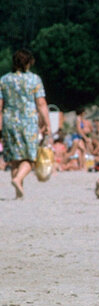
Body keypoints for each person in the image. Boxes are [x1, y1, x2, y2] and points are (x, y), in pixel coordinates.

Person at [0, 48, 52, 199]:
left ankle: (18, 193)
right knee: (30, 157)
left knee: (15, 157)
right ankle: (18, 180)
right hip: (28, 121)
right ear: (28, 63)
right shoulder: (34, 79)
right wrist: (47, 124)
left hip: (9, 120)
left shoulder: (4, 80)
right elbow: (41, 103)